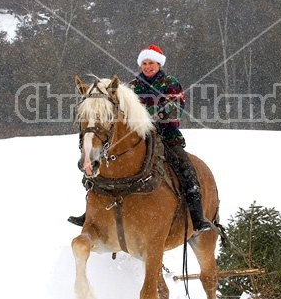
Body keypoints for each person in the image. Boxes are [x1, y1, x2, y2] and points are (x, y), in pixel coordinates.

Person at [68, 44, 212, 233]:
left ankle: (197, 215)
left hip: (167, 136)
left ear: (158, 64)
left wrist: (152, 113)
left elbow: (176, 107)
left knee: (185, 167)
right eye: (144, 63)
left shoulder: (170, 82)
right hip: (140, 136)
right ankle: (91, 213)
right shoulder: (134, 85)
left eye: (151, 63)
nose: (147, 66)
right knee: (104, 164)